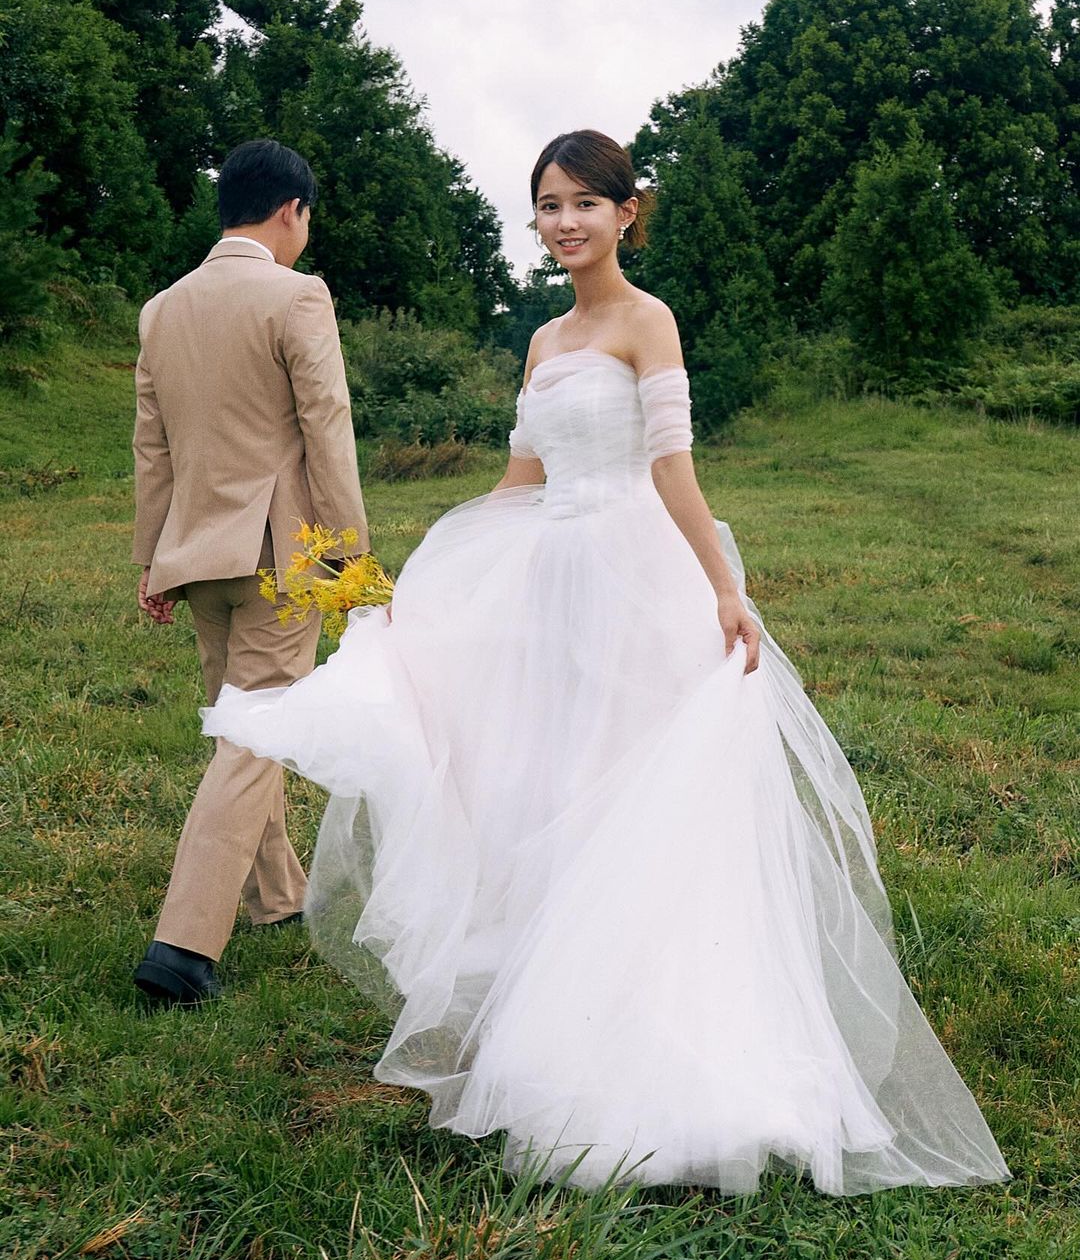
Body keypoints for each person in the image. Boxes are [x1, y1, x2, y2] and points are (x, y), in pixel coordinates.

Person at [203, 130, 1009, 1194]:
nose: (564, 222)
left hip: (638, 576)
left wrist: (723, 588)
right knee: (549, 786)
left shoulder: (648, 321)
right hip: (551, 579)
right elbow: (517, 481)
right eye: (547, 205)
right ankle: (555, 1032)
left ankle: (664, 1061)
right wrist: (424, 592)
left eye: (585, 202)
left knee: (637, 797)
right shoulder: (541, 341)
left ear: (630, 213)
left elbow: (673, 468)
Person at [132, 139, 368, 1007]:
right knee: (256, 737)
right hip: (281, 557)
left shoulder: (161, 309)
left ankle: (278, 895)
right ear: (291, 211)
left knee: (244, 729)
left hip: (195, 559)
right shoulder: (298, 294)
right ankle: (184, 944)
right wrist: (348, 555)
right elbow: (327, 427)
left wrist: (152, 560)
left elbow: (150, 450)